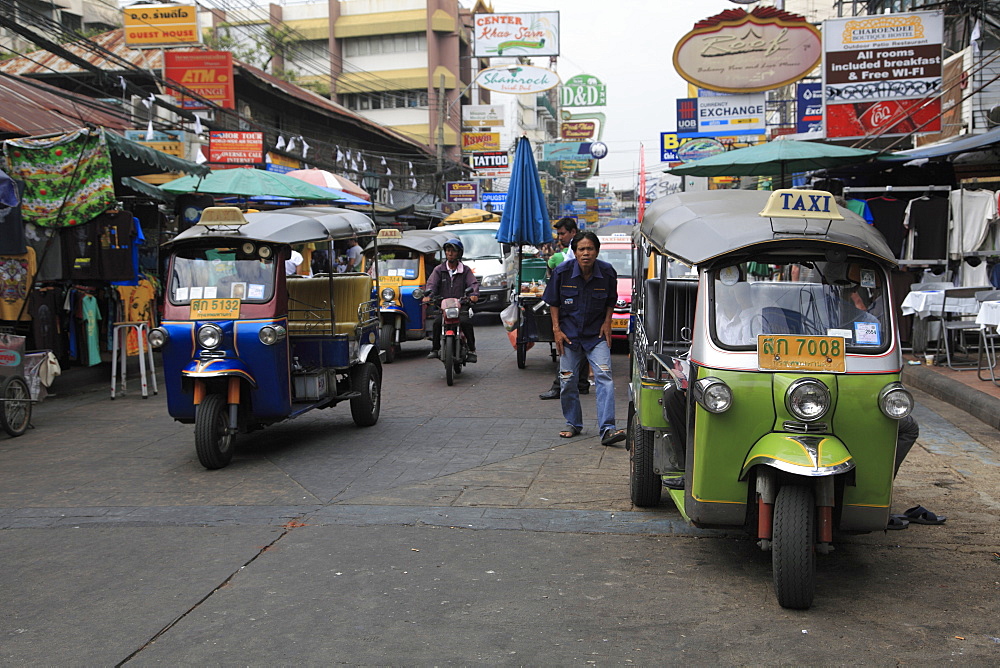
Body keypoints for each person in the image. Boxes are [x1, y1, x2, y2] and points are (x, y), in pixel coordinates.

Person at [542, 230, 625, 446]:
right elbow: (553, 303)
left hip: (596, 336)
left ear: (597, 251)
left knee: (604, 377)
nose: (585, 253)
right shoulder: (562, 272)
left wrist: (608, 322)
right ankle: (573, 422)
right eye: (581, 249)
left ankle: (608, 429)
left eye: (590, 249)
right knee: (567, 379)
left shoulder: (607, 273)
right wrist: (556, 330)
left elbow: (611, 300)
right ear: (575, 252)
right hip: (569, 336)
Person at [539, 217, 590, 400]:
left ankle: (560, 385)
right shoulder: (567, 252)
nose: (560, 237)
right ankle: (581, 383)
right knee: (576, 344)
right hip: (570, 303)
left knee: (567, 346)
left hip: (576, 304)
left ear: (573, 232)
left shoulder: (572, 253)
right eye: (558, 234)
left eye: (563, 233)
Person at [424, 238, 479, 363]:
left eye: (453, 251)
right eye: (448, 251)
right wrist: (429, 295)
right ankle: (435, 348)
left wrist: (474, 294)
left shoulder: (465, 270)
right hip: (442, 306)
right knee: (437, 322)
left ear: (459, 253)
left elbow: (473, 283)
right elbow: (431, 284)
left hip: (461, 305)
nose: (450, 253)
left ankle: (471, 349)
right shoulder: (439, 270)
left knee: (465, 322)